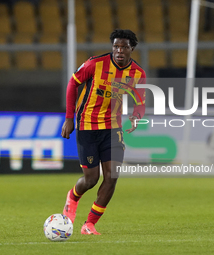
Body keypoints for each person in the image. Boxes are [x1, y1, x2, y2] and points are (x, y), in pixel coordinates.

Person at [61, 29, 146, 235]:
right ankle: (72, 198)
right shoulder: (95, 64)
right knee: (91, 179)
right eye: (116, 46)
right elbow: (73, 83)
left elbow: (140, 101)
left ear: (131, 49)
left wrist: (136, 116)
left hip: (113, 128)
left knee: (112, 177)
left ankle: (89, 224)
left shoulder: (137, 74)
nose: (119, 51)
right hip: (88, 126)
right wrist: (69, 118)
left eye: (124, 47)